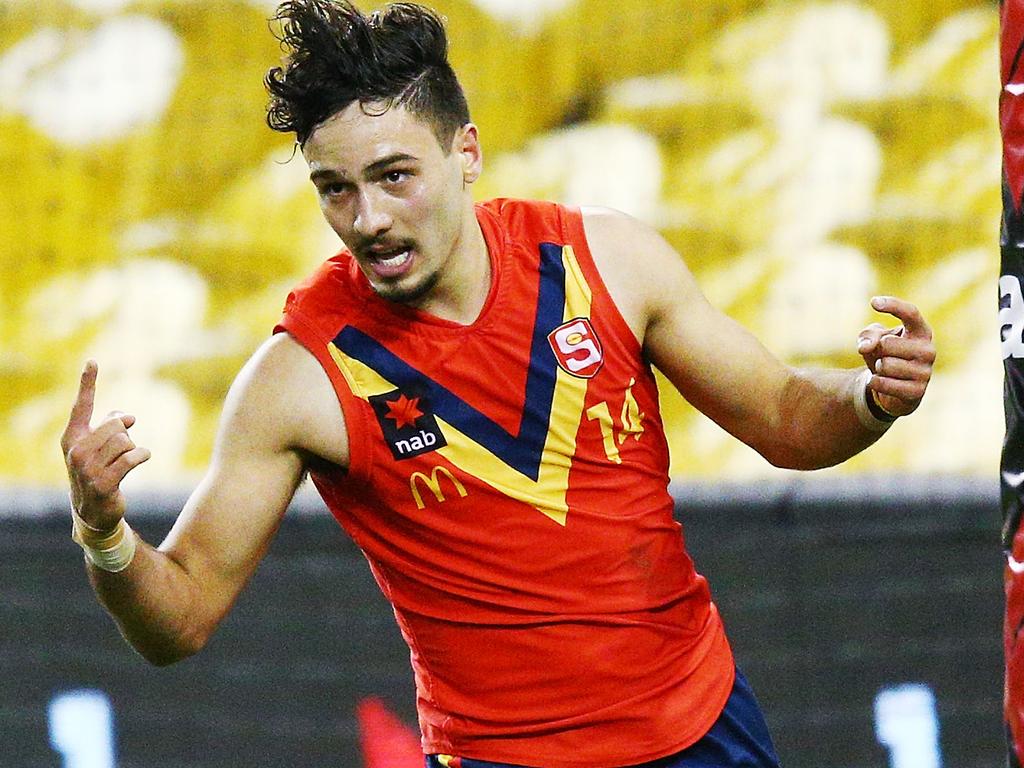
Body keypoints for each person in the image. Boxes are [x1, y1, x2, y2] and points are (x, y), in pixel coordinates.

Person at [60, 1, 935, 766]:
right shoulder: (300, 379)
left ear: (466, 152)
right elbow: (178, 621)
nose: (368, 219)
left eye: (394, 175)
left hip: (703, 732)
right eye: (336, 189)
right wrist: (103, 531)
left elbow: (786, 418)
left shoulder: (607, 261)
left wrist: (868, 399)